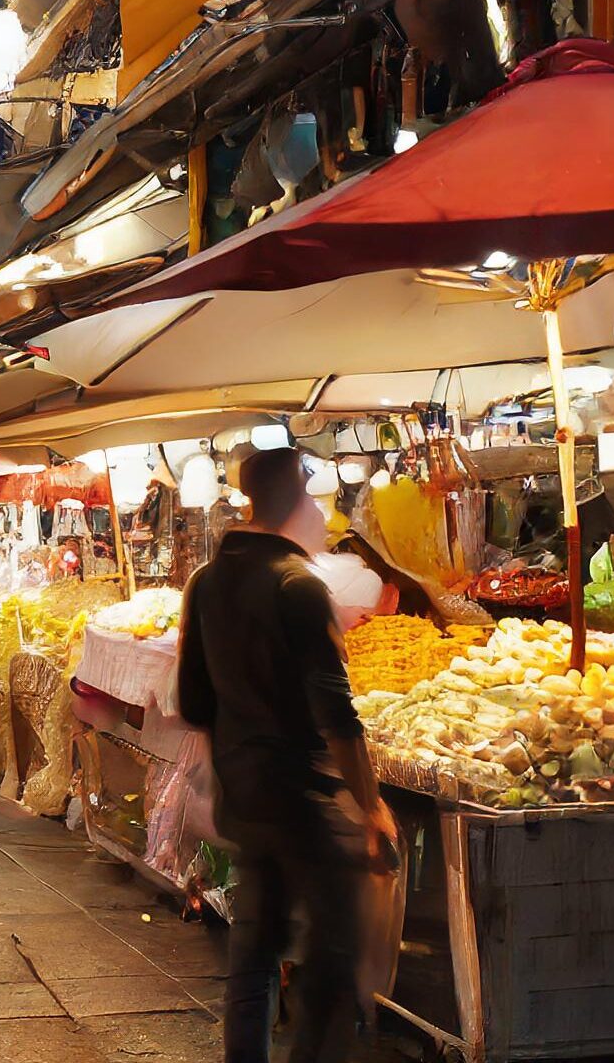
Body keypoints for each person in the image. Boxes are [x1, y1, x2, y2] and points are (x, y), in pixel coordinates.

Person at [177, 446, 399, 1063]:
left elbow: (193, 699)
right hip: (301, 800)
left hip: (243, 796)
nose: (323, 516)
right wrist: (372, 805)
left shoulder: (206, 583)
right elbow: (338, 716)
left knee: (254, 954)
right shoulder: (298, 587)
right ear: (295, 503)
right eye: (315, 499)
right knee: (334, 955)